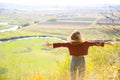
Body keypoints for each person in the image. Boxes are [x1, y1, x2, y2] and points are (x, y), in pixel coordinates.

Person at [46, 30, 114, 80]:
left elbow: (60, 44)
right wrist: (107, 43)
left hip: (76, 59)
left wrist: (50, 44)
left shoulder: (73, 43)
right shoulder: (83, 43)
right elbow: (96, 43)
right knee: (78, 76)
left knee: (76, 76)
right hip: (79, 59)